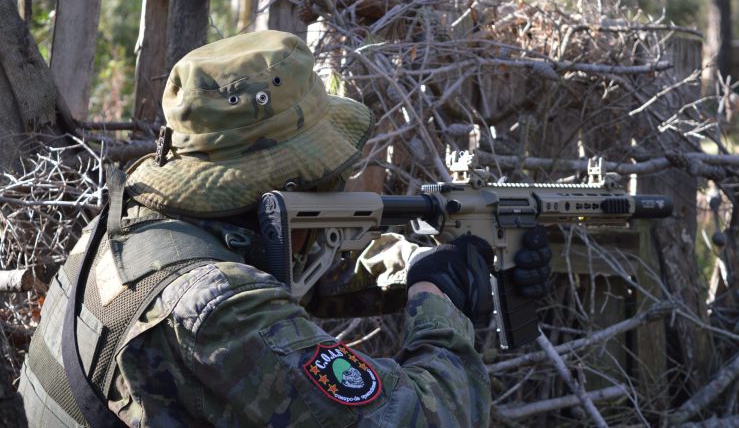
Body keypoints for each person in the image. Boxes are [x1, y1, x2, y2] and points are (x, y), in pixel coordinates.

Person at [19, 30, 550, 427]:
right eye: (327, 181)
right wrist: (440, 304)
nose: (337, 191)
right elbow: (427, 417)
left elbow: (304, 265)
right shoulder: (217, 308)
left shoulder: (142, 231)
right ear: (283, 184)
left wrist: (417, 264)